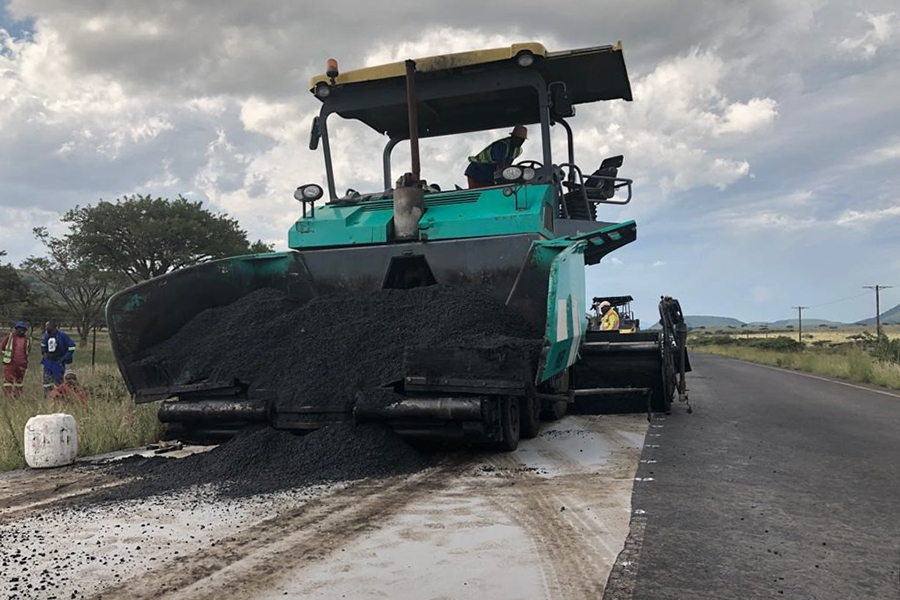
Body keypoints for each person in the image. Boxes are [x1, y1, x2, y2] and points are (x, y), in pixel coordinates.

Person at [41, 321, 76, 396]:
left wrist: (65, 357)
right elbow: (43, 344)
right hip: (48, 361)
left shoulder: (62, 336)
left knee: (58, 380)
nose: (46, 328)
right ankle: (47, 396)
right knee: (46, 380)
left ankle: (60, 396)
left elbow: (72, 346)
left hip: (58, 362)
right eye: (46, 326)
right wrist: (44, 352)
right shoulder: (46, 336)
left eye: (48, 326)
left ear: (54, 327)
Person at [1, 321, 30, 397]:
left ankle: (17, 396)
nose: (22, 331)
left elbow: (28, 350)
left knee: (19, 381)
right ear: (16, 329)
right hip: (10, 363)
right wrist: (7, 354)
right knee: (8, 380)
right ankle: (8, 396)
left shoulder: (27, 339)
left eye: (23, 330)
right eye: (20, 329)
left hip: (22, 363)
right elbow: (2, 347)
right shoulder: (9, 337)